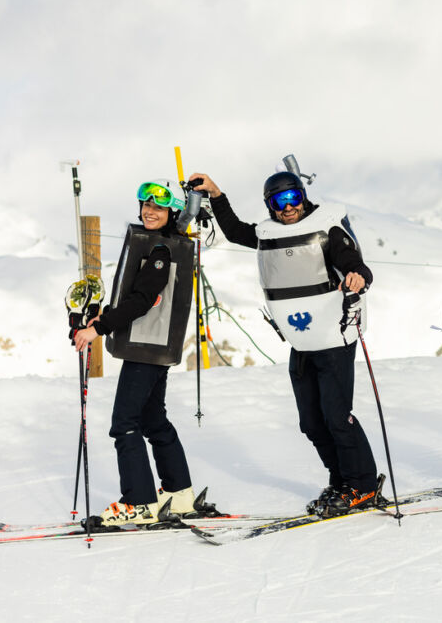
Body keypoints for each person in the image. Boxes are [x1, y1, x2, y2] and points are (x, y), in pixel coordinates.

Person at [187, 160, 379, 517]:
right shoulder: (269, 233)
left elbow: (355, 262)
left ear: (303, 197)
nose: (287, 207)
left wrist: (357, 277)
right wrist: (215, 193)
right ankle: (341, 481)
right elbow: (232, 230)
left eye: (292, 198)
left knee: (337, 417)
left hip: (335, 337)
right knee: (312, 422)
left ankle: (363, 485)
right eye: (278, 202)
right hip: (302, 341)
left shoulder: (327, 228)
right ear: (269, 206)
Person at [72, 179, 199, 526]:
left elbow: (143, 299)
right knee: (152, 419)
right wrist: (106, 316)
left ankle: (139, 503)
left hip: (146, 347)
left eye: (158, 207)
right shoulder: (164, 244)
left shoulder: (160, 251)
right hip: (154, 345)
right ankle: (178, 493)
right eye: (145, 205)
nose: (148, 211)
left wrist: (97, 328)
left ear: (172, 211)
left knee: (124, 424)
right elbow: (136, 297)